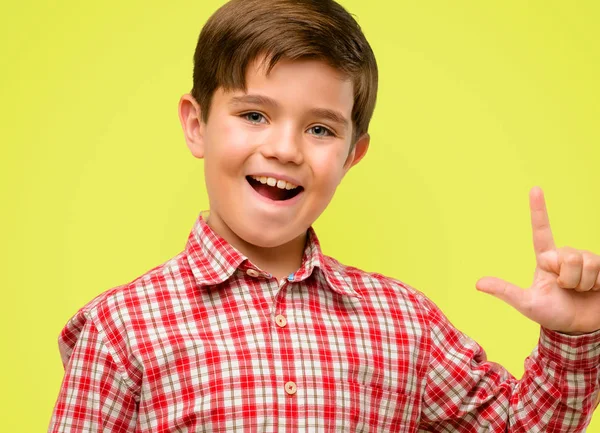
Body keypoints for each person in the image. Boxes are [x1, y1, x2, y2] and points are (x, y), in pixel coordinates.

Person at [48, 0, 600, 431]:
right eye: (255, 114)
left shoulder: (403, 324)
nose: (285, 149)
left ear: (351, 154)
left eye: (320, 129)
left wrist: (573, 335)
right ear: (197, 124)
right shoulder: (122, 330)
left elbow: (519, 424)